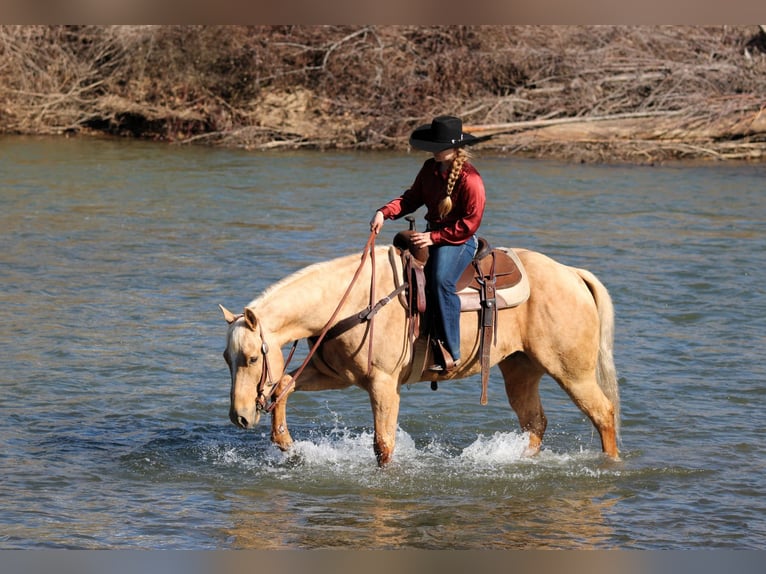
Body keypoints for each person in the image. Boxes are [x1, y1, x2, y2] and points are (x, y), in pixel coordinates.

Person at [370, 115, 489, 372]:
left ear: (455, 147)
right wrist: (384, 212)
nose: (434, 152)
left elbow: (471, 222)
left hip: (458, 240)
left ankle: (451, 350)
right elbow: (411, 199)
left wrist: (434, 238)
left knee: (440, 281)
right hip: (432, 235)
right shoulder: (429, 169)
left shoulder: (471, 179)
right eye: (432, 147)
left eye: (439, 147)